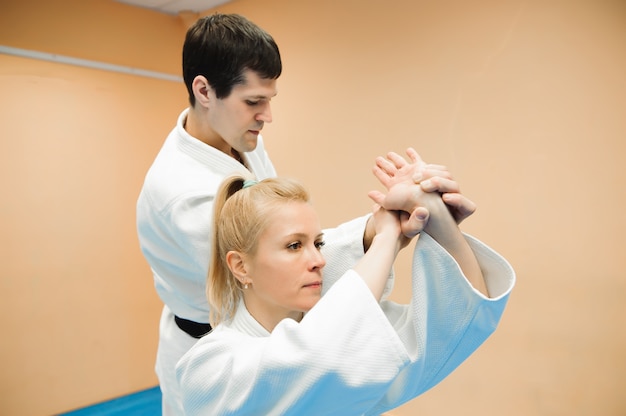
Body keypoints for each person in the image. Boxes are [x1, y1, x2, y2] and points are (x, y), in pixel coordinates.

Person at [136, 13, 478, 414]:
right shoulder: (185, 195)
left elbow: (281, 239)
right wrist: (383, 235)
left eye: (269, 99)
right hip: (222, 352)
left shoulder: (234, 136)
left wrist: (394, 225)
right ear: (204, 90)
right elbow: (282, 269)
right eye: (253, 102)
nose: (267, 115)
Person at [175, 151, 515, 415]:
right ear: (240, 266)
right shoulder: (208, 369)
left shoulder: (346, 335)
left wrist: (435, 216)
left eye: (317, 244)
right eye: (294, 245)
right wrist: (385, 237)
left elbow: (456, 323)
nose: (318, 260)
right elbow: (315, 358)